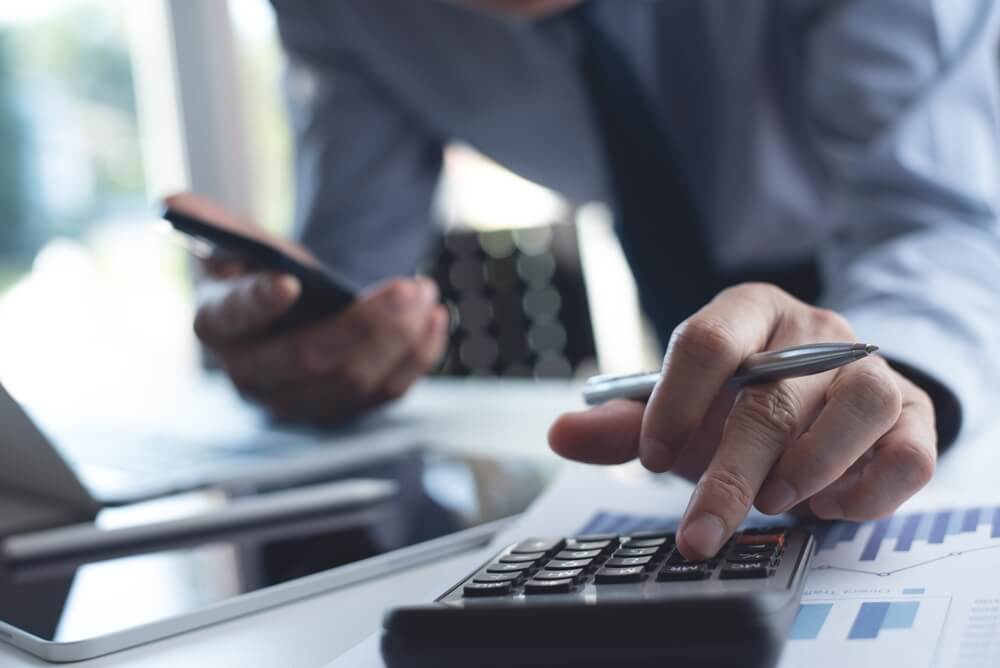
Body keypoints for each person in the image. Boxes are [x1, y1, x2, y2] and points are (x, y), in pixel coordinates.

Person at [190, 0, 1000, 560]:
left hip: (906, 312)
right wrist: (307, 345)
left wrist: (901, 376)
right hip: (707, 338)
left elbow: (942, 215)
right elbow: (355, 274)